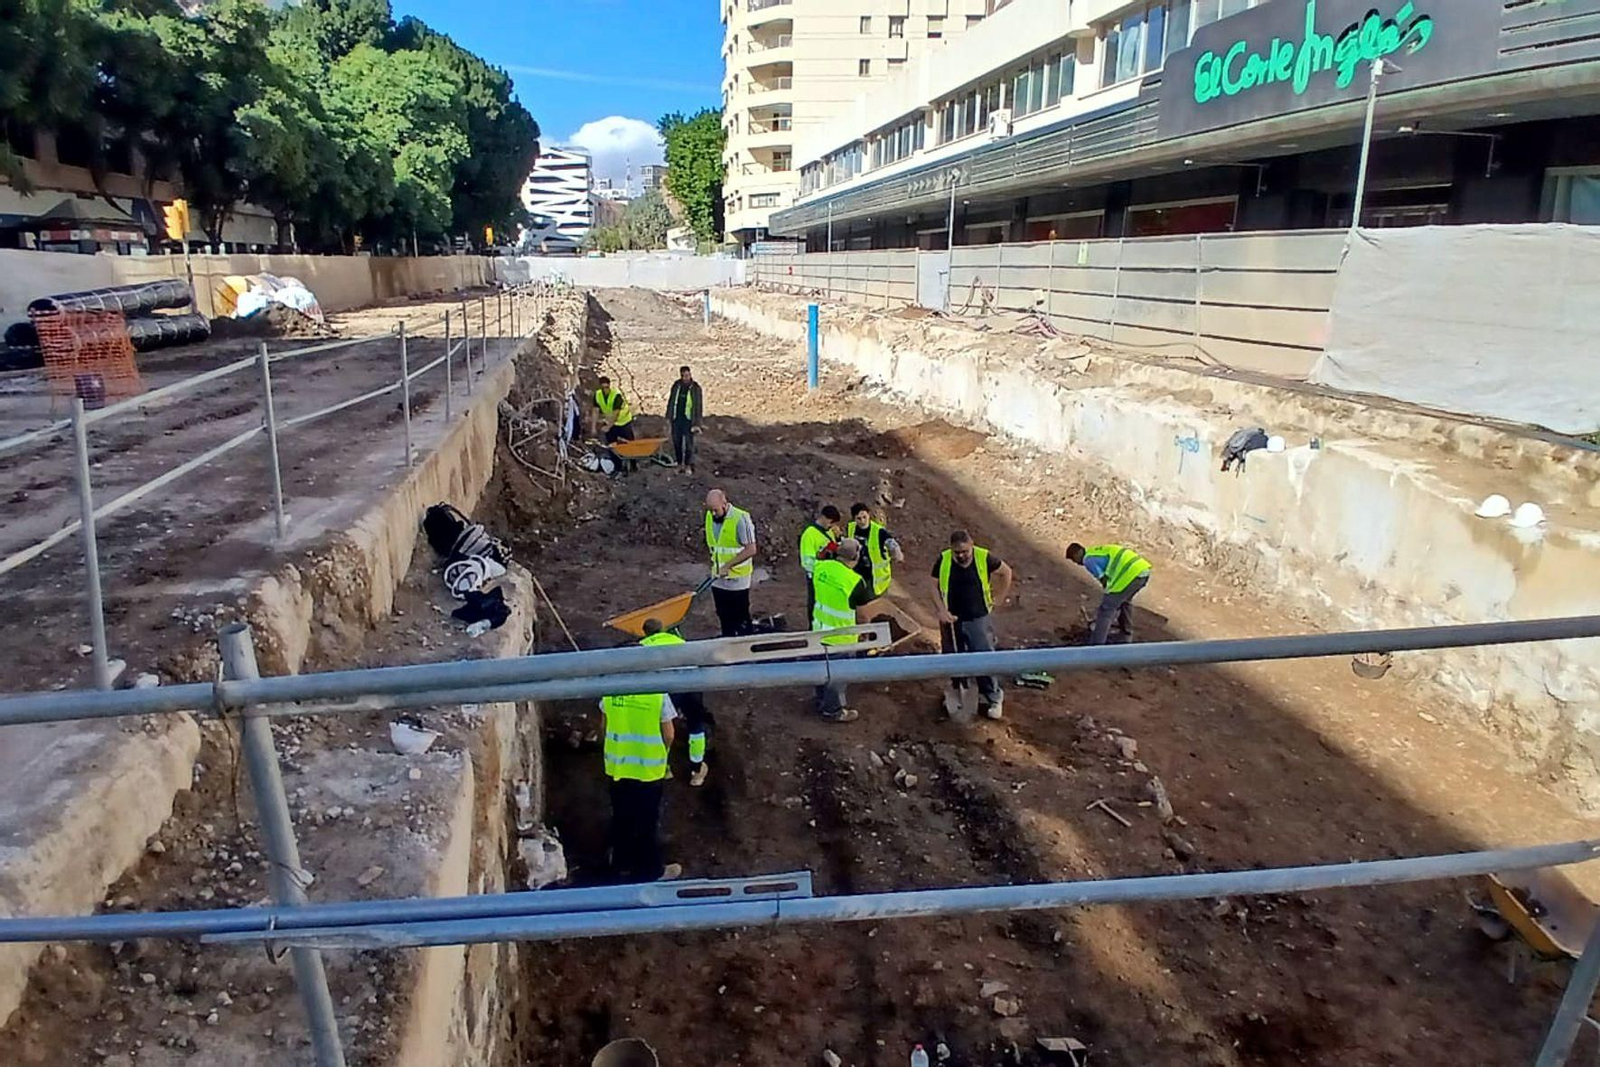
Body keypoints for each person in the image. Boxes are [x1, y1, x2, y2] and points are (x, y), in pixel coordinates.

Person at [600, 675, 681, 883]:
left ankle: (620, 865)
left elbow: (604, 726)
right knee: (647, 821)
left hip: (618, 767)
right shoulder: (658, 694)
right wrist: (663, 753)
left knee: (621, 817)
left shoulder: (610, 689)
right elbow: (669, 734)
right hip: (648, 769)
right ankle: (650, 870)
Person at [929, 530, 1014, 720]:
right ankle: (958, 690)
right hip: (951, 619)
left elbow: (1006, 572)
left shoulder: (984, 557)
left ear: (971, 545)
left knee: (983, 656)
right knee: (953, 657)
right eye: (957, 552)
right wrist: (941, 610)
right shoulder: (943, 559)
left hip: (978, 618)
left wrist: (999, 597)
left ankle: (993, 696)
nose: (961, 556)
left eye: (965, 551)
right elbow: (932, 584)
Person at [641, 618, 713, 787]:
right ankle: (697, 770)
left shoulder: (643, 646)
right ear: (663, 629)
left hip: (667, 688)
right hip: (690, 683)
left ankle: (665, 767)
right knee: (696, 724)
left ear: (645, 632)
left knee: (661, 727)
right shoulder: (679, 640)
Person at [811, 538, 873, 723]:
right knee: (837, 676)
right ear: (856, 557)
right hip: (841, 638)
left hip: (818, 631)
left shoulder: (821, 567)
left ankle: (821, 700)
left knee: (820, 669)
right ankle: (833, 711)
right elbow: (863, 616)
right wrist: (865, 634)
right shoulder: (855, 582)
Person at [1066, 542, 1152, 646]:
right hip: (1142, 571)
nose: (1076, 563)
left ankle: (1096, 645)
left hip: (1130, 574)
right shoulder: (1095, 551)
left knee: (1106, 609)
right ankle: (1126, 634)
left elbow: (1104, 580)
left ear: (1077, 554)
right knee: (1124, 601)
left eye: (1074, 560)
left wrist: (1108, 595)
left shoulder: (1088, 560)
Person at [704, 489, 758, 637]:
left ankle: (744, 642)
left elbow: (751, 549)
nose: (713, 514)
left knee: (740, 616)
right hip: (718, 578)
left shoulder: (741, 519)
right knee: (723, 614)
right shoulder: (710, 516)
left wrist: (728, 566)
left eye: (716, 510)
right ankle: (727, 639)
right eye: (710, 510)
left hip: (737, 579)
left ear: (724, 504)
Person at [849, 502, 903, 598]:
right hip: (857, 571)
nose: (862, 521)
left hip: (874, 577)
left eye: (864, 517)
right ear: (854, 519)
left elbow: (891, 543)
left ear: (869, 515)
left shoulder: (879, 532)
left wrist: (897, 554)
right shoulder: (851, 528)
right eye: (859, 518)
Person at [799, 504, 842, 623]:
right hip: (816, 576)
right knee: (815, 603)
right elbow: (807, 562)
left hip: (830, 575)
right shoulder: (809, 534)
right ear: (825, 518)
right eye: (831, 523)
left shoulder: (830, 532)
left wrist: (839, 538)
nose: (831, 526)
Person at [665, 365, 703, 475]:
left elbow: (698, 406)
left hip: (689, 420)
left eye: (688, 375)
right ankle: (679, 464)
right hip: (677, 418)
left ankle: (688, 465)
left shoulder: (695, 388)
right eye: (684, 376)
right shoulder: (676, 386)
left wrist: (697, 423)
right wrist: (668, 417)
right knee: (677, 442)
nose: (686, 378)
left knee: (688, 444)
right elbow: (671, 401)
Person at [593, 376, 635, 445]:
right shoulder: (598, 395)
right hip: (610, 422)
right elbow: (595, 411)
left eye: (606, 387)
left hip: (623, 422)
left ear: (609, 385)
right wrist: (593, 428)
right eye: (603, 388)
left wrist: (608, 427)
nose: (605, 390)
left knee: (628, 444)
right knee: (612, 444)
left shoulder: (616, 395)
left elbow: (616, 413)